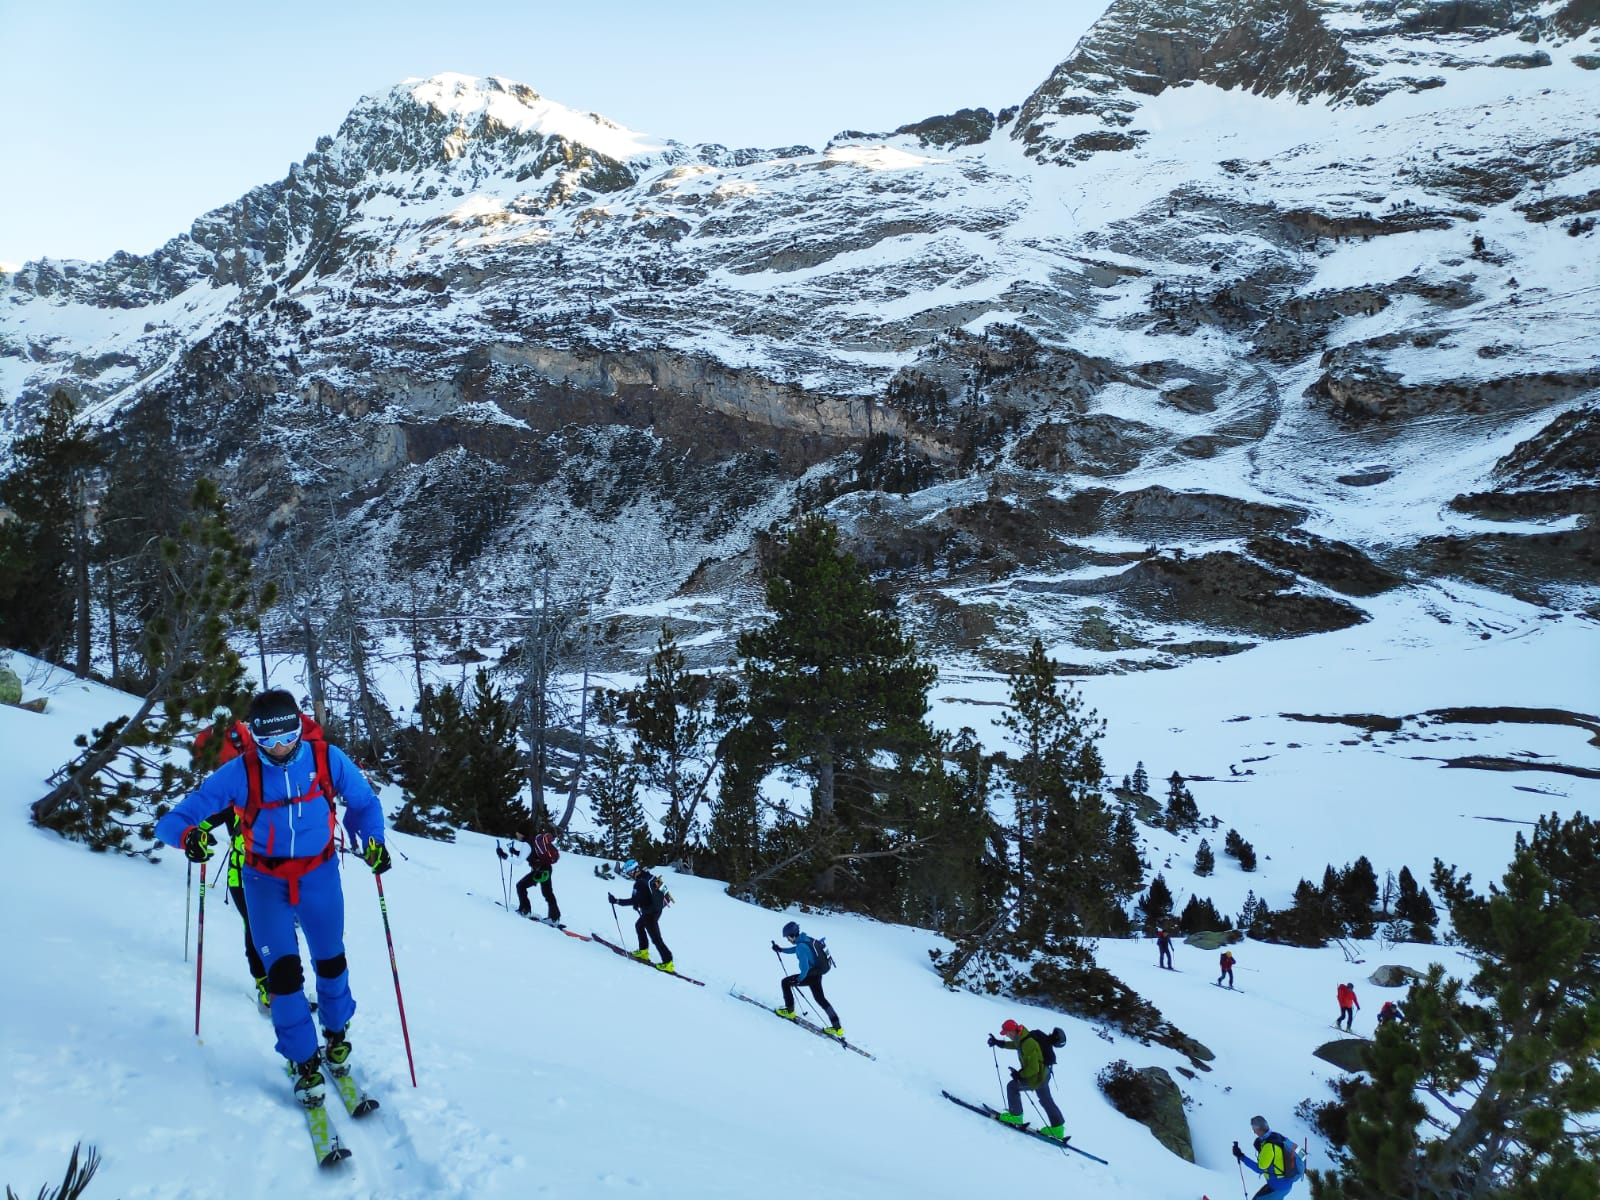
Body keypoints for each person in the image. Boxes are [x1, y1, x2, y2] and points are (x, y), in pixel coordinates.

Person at [156, 689, 389, 1108]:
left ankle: (337, 1037)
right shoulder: (239, 772)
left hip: (319, 876)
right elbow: (173, 820)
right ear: (255, 737)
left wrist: (372, 841)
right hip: (264, 883)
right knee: (283, 976)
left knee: (332, 962)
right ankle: (302, 1059)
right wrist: (189, 837)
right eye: (268, 741)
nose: (280, 748)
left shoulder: (326, 759)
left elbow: (364, 804)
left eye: (288, 736)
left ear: (300, 729)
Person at [189, 706, 267, 1006]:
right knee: (257, 925)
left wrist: (198, 830)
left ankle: (279, 987)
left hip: (273, 867)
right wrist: (196, 831)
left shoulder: (236, 737)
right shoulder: (233, 737)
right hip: (244, 867)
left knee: (268, 928)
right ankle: (268, 986)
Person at [987, 1018, 1065, 1140]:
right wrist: (999, 1043)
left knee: (1012, 1086)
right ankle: (1058, 1128)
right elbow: (1015, 1045)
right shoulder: (1023, 1036)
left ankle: (1016, 1116)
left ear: (1012, 1031)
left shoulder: (1028, 1043)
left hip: (1037, 1077)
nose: (1006, 1035)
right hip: (1044, 1074)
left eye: (1006, 1033)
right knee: (1046, 1100)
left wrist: (1019, 1075)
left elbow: (1033, 1069)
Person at [771, 920, 842, 1036]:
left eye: (788, 937)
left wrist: (799, 979)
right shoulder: (805, 939)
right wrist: (781, 950)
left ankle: (789, 1011)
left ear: (792, 935)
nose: (787, 939)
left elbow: (804, 968)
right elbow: (796, 949)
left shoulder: (801, 946)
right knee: (820, 999)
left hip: (810, 974)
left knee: (785, 982)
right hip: (817, 973)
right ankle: (837, 1028)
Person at [608, 859, 673, 973]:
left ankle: (668, 962)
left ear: (635, 871)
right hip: (656, 910)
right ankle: (643, 951)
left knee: (656, 938)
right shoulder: (650, 877)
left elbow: (633, 900)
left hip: (650, 913)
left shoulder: (639, 883)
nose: (629, 875)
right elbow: (658, 893)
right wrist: (640, 903)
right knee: (639, 926)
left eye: (629, 873)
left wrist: (616, 901)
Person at [1233, 1115, 1302, 1196]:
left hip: (1278, 1186)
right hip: (1283, 1184)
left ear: (1259, 1129)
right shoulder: (1276, 1136)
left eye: (1254, 1129)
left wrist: (1241, 1156)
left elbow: (1259, 1169)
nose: (1254, 1132)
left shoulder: (1269, 1146)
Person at [512, 830, 561, 924]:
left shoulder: (527, 843)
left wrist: (507, 854)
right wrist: (515, 852)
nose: (516, 835)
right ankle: (554, 918)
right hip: (546, 869)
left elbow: (525, 857)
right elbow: (531, 856)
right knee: (548, 894)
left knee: (520, 886)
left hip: (540, 871)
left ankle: (525, 910)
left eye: (518, 833)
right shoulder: (533, 841)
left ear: (522, 834)